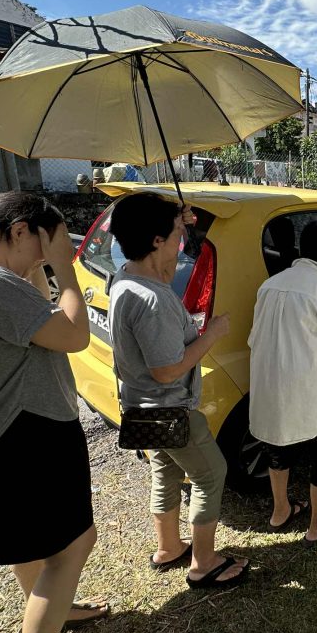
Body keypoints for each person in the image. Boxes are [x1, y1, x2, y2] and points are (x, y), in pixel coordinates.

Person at [0, 192, 107, 633]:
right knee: (73, 546)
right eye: (45, 245)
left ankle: (53, 611)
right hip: (23, 437)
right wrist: (65, 271)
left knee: (30, 550)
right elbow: (71, 334)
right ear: (18, 231)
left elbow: (36, 316)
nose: (49, 257)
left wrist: (34, 267)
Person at [107, 193, 248, 590]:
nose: (179, 240)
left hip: (140, 406)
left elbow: (165, 274)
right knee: (210, 472)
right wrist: (212, 334)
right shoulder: (152, 301)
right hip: (169, 408)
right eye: (174, 234)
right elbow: (168, 370)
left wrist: (181, 225)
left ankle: (169, 547)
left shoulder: (129, 277)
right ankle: (204, 562)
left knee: (165, 468)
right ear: (156, 241)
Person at [248, 220, 317, 547]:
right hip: (311, 392)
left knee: (278, 449)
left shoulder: (270, 284)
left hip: (269, 383)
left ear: (302, 249)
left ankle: (280, 512)